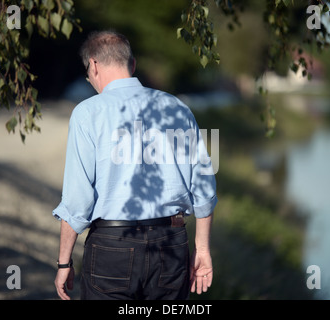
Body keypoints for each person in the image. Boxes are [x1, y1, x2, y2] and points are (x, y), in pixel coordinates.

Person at [53, 30, 217, 300]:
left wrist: (64, 263)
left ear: (93, 65)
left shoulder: (87, 113)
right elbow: (203, 188)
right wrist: (202, 249)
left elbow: (77, 201)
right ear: (132, 64)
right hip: (171, 244)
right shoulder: (177, 108)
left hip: (111, 247)